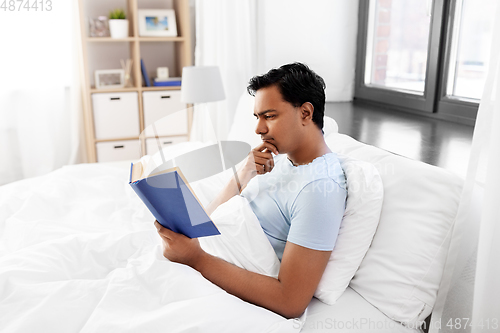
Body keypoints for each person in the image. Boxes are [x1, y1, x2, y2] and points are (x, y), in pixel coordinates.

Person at [155, 62, 347, 319]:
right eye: (257, 117)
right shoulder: (278, 157)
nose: (258, 129)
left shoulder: (320, 188)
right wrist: (244, 174)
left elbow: (291, 301)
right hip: (199, 255)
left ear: (305, 113)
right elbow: (213, 219)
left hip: (206, 268)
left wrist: (196, 258)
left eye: (269, 116)